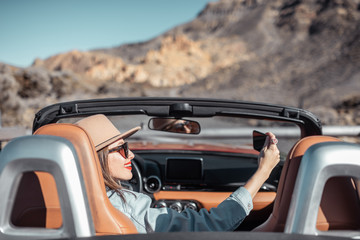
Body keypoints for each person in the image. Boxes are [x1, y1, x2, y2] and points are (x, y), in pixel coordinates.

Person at [76, 114, 280, 233]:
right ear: (95, 158)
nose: (131, 154)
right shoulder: (124, 205)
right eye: (122, 148)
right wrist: (263, 171)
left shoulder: (63, 199)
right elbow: (212, 225)